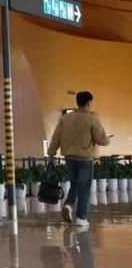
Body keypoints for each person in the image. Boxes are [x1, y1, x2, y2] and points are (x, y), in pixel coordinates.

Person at [48, 91, 111, 228]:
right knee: (85, 188)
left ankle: (68, 204)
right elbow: (101, 140)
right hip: (84, 159)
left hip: (69, 158)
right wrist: (108, 140)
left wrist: (51, 152)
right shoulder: (92, 118)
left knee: (75, 184)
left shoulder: (65, 118)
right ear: (89, 102)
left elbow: (56, 137)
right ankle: (81, 218)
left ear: (77, 102)